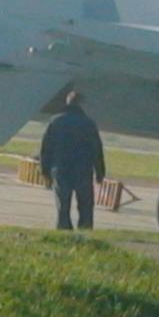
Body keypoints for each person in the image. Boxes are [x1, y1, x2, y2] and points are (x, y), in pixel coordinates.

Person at [38, 90, 107, 231]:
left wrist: (44, 170)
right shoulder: (88, 124)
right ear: (81, 104)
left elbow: (46, 148)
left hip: (60, 168)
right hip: (83, 169)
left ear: (67, 102)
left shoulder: (55, 121)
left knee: (63, 205)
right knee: (85, 205)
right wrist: (100, 172)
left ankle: (64, 230)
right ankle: (85, 230)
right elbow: (97, 149)